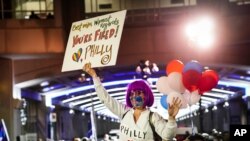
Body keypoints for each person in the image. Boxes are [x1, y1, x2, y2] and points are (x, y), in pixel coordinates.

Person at [83, 63, 182, 141]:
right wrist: (94, 76)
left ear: (146, 95)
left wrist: (171, 119)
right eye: (132, 93)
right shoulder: (124, 112)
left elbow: (167, 136)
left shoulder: (153, 117)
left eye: (139, 92)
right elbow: (105, 98)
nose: (135, 96)